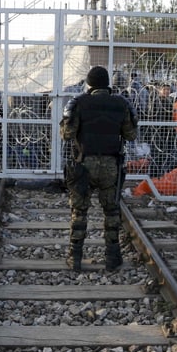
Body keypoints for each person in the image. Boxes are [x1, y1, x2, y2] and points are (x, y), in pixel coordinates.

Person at [60, 66, 138, 271]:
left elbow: (67, 134)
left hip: (84, 165)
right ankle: (112, 258)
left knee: (79, 211)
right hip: (111, 166)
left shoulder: (78, 103)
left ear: (89, 83)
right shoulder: (121, 104)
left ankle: (74, 257)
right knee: (111, 211)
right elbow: (131, 135)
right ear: (107, 83)